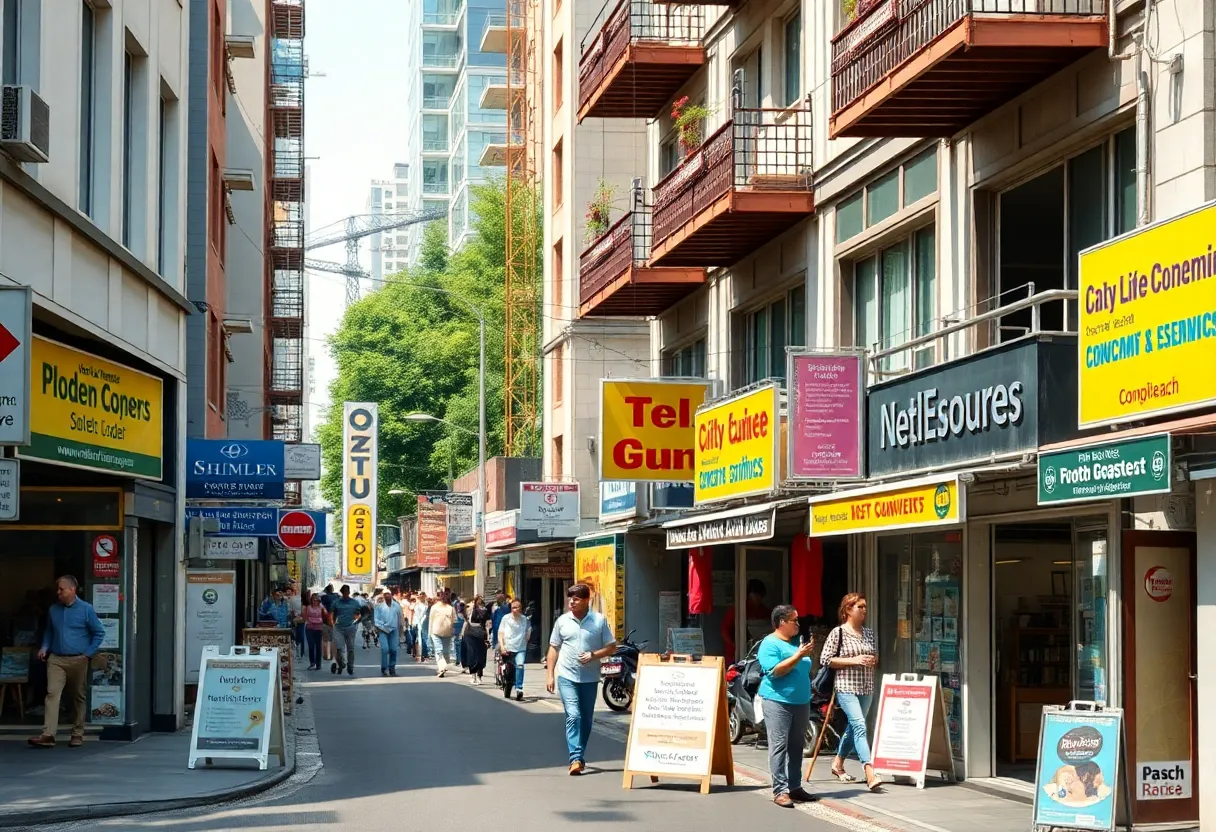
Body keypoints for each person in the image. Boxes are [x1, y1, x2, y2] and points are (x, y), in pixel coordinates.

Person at [546, 583, 617, 775]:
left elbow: (612, 646)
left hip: (590, 677)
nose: (572, 602)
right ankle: (575, 758)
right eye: (570, 598)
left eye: (576, 599)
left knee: (586, 719)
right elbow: (554, 648)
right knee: (574, 715)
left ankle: (579, 755)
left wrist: (594, 655)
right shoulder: (562, 621)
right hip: (566, 676)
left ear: (587, 600)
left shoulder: (599, 621)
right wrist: (550, 674)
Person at [28, 576, 105, 749]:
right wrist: (44, 647)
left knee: (78, 696)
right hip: (56, 659)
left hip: (79, 659)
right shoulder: (53, 610)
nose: (58, 592)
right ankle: (48, 734)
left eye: (61, 589)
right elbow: (49, 631)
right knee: (52, 694)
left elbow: (99, 633)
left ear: (72, 590)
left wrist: (88, 654)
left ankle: (77, 733)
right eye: (58, 589)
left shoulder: (86, 609)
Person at [757, 604, 820, 807]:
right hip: (777, 701)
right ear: (782, 622)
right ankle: (780, 790)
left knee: (796, 746)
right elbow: (775, 671)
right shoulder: (769, 644)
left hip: (801, 701)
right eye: (795, 620)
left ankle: (795, 786)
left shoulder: (795, 644)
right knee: (779, 745)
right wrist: (799, 656)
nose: (798, 624)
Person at [822, 592, 881, 791]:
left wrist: (873, 660)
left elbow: (874, 656)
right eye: (860, 607)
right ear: (848, 610)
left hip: (866, 685)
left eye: (865, 607)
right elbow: (826, 659)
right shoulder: (838, 633)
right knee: (859, 726)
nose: (864, 610)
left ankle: (837, 763)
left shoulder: (869, 633)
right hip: (846, 686)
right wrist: (854, 660)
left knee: (855, 727)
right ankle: (869, 770)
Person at [721, 579, 772, 663]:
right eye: (755, 595)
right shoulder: (736, 610)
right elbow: (724, 631)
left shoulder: (765, 611)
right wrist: (735, 646)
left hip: (757, 655)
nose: (758, 598)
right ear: (748, 594)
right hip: (735, 655)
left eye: (760, 595)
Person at [498, 598, 531, 701]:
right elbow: (500, 633)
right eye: (513, 607)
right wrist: (502, 647)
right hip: (508, 647)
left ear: (521, 608)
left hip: (520, 648)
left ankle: (519, 689)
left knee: (520, 665)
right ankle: (507, 683)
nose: (515, 609)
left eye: (517, 607)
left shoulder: (524, 619)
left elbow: (528, 632)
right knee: (509, 671)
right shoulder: (505, 619)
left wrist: (526, 639)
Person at [330, 585, 365, 677]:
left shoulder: (355, 603)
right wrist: (333, 623)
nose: (345, 594)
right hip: (339, 628)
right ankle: (342, 663)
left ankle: (350, 666)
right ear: (342, 592)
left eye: (346, 592)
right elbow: (332, 613)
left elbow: (360, 613)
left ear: (349, 592)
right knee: (339, 647)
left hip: (350, 627)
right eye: (344, 592)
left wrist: (357, 621)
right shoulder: (336, 602)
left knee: (351, 648)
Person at [374, 588, 403, 677]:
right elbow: (376, 619)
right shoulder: (379, 607)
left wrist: (401, 631)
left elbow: (400, 618)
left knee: (393, 650)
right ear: (383, 596)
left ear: (391, 595)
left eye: (388, 594)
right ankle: (384, 668)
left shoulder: (397, 606)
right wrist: (381, 627)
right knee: (385, 649)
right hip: (383, 630)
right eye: (385, 594)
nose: (387, 596)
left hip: (394, 630)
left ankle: (392, 668)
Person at [463, 595, 491, 684]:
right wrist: (488, 637)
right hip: (481, 634)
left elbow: (466, 621)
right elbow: (488, 625)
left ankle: (473, 676)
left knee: (472, 654)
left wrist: (462, 634)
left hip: (470, 633)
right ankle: (479, 676)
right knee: (481, 655)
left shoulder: (469, 609)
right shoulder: (486, 611)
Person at [428, 591, 456, 677]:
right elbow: (453, 621)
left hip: (436, 631)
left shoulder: (434, 607)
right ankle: (444, 666)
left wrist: (430, 633)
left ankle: (442, 667)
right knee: (446, 651)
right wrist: (452, 631)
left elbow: (431, 620)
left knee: (438, 651)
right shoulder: (450, 608)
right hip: (447, 631)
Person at [304, 593, 328, 670]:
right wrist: (315, 620)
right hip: (309, 629)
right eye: (313, 600)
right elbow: (306, 617)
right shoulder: (308, 607)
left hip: (319, 629)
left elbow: (324, 617)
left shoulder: (322, 608)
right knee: (311, 646)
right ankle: (312, 662)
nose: (315, 602)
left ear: (319, 601)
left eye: (316, 600)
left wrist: (314, 620)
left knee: (318, 647)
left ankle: (318, 664)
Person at [319, 584, 338, 661]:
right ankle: (332, 655)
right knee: (333, 639)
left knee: (325, 639)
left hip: (324, 620)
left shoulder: (323, 597)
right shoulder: (337, 597)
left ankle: (326, 655)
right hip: (334, 620)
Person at [289, 586, 305, 658]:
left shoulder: (294, 599)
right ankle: (300, 651)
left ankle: (301, 651)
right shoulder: (292, 599)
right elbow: (291, 610)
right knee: (299, 635)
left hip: (300, 619)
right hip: (297, 619)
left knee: (300, 635)